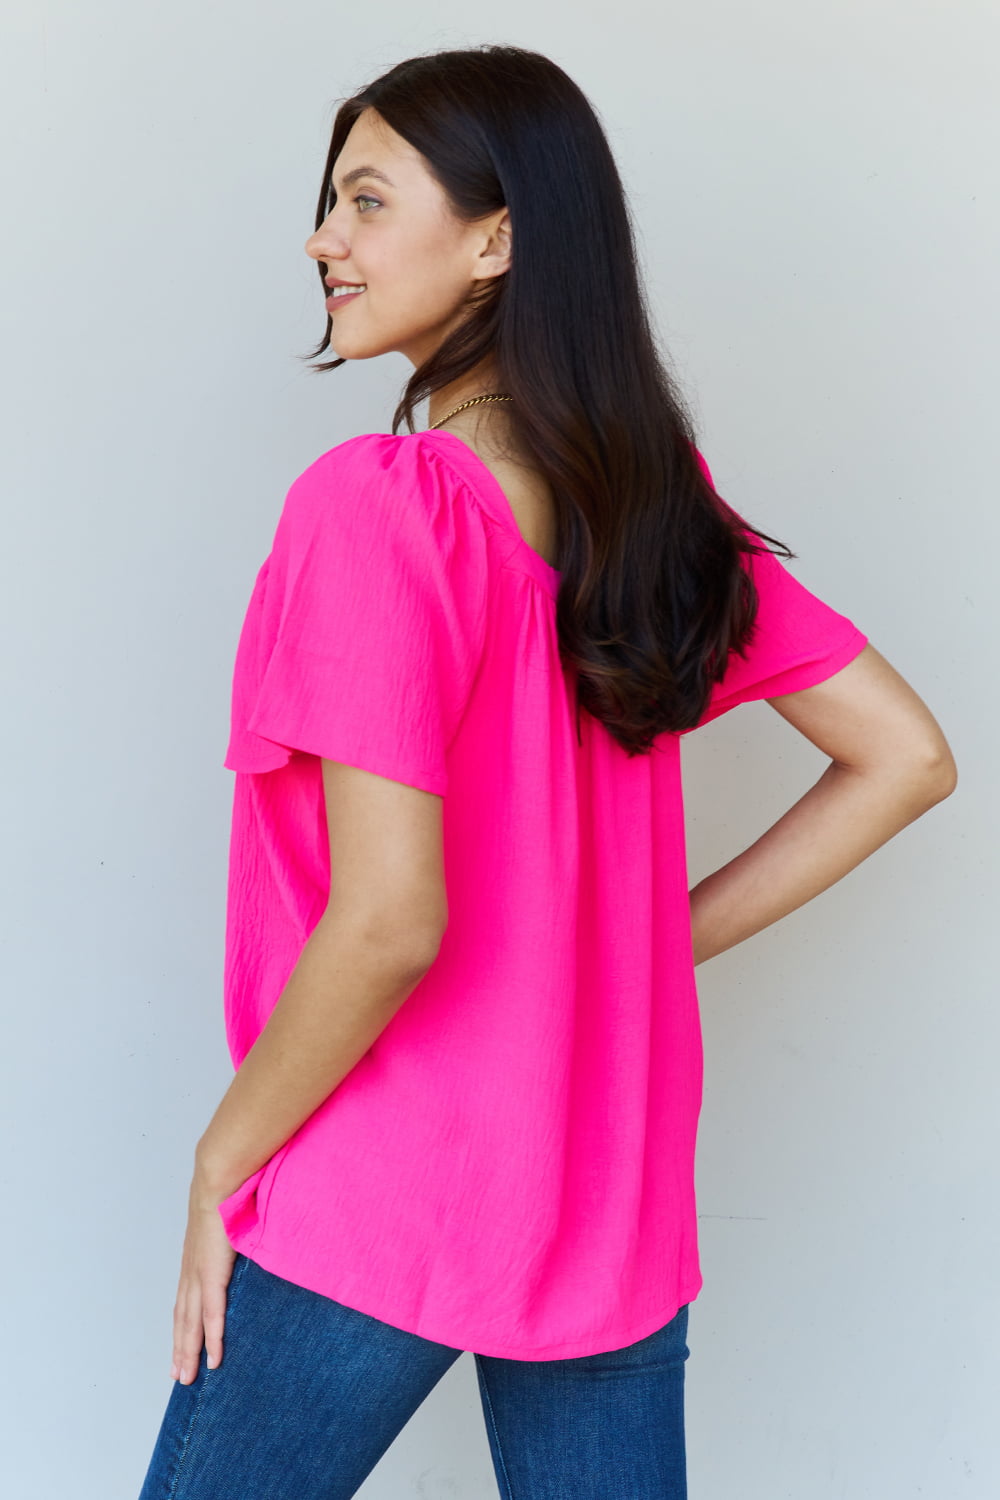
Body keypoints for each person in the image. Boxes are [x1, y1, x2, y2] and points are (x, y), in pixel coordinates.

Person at [137, 43, 957, 1500]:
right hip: (608, 1201)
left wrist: (219, 1163)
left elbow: (391, 921)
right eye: (330, 202)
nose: (325, 238)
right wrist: (640, 948)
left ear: (497, 238)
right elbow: (903, 757)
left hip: (379, 1186)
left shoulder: (379, 512)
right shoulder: (654, 510)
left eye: (368, 200)